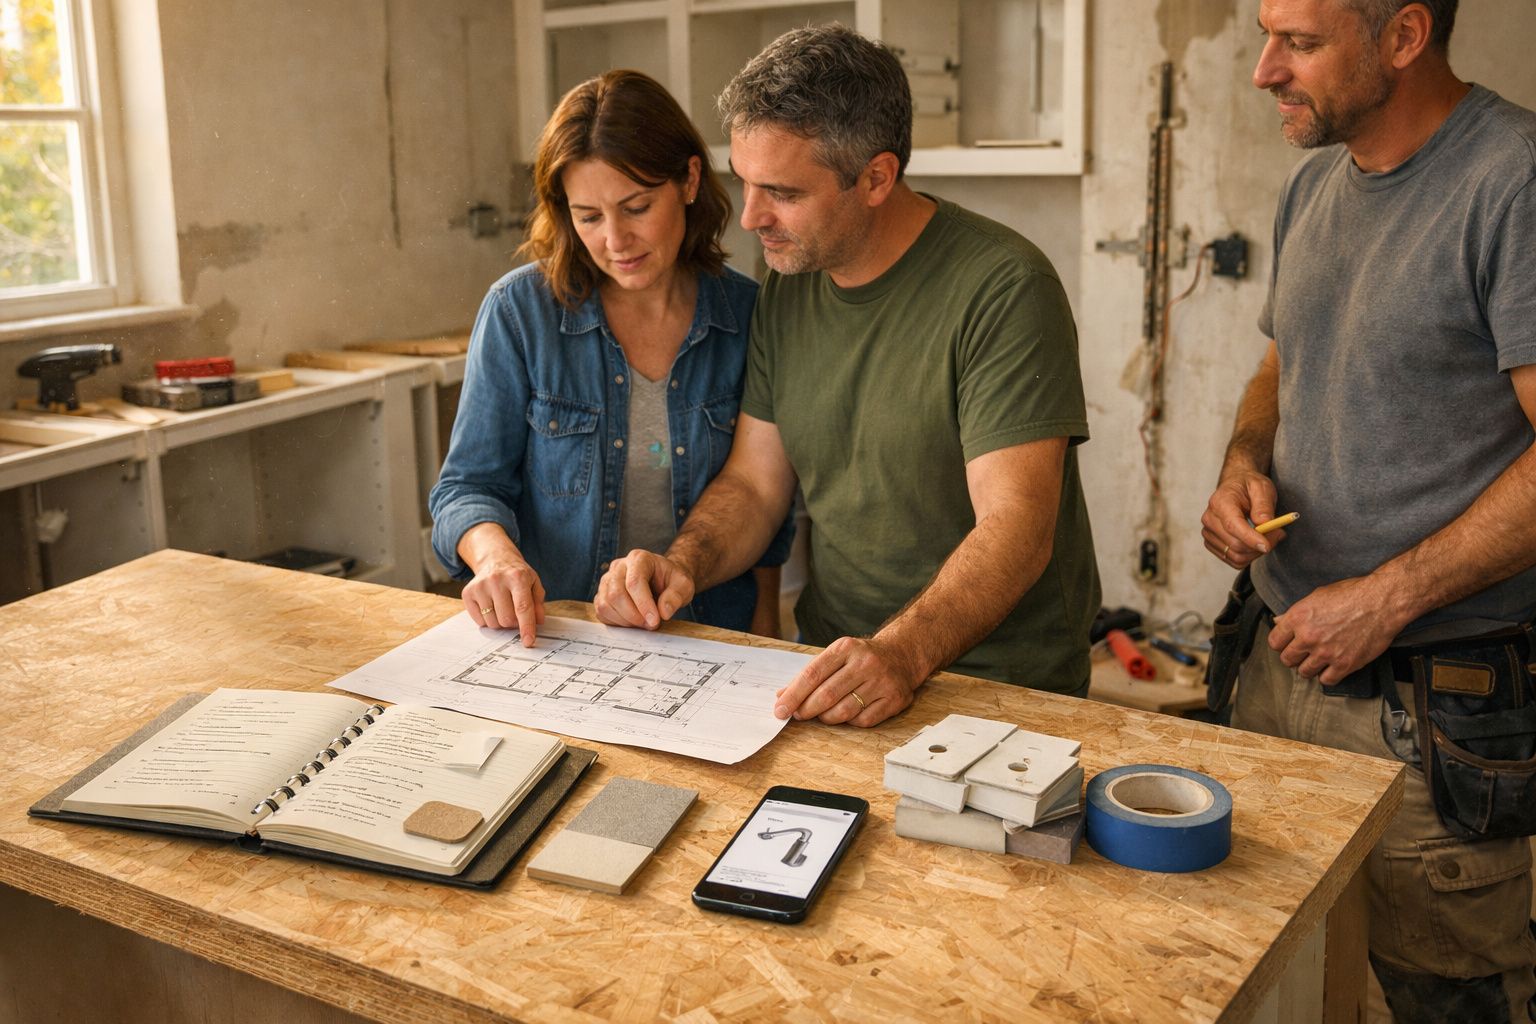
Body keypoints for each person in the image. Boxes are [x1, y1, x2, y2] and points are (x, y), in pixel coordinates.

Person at [594, 25, 1100, 728]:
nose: (750, 217)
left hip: (997, 683)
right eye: (743, 183)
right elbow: (755, 483)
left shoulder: (1005, 288)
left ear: (876, 178)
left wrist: (901, 653)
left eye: (782, 192)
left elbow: (1016, 527)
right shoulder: (788, 283)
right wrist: (684, 564)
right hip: (837, 666)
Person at [1200, 1, 1536, 1019]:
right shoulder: (1313, 185)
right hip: (1274, 665)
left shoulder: (1512, 180)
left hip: (1431, 710)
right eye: (1267, 33)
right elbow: (1284, 360)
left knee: (1445, 1002)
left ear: (1403, 36)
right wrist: (1241, 462)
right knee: (1275, 985)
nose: (1263, 70)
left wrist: (1386, 600)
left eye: (1298, 43)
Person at [429, 70, 791, 646]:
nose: (615, 242)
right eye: (589, 217)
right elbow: (466, 489)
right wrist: (495, 558)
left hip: (710, 636)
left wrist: (767, 628)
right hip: (558, 636)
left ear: (690, 180)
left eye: (637, 206)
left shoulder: (751, 315)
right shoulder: (519, 312)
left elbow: (765, 501)